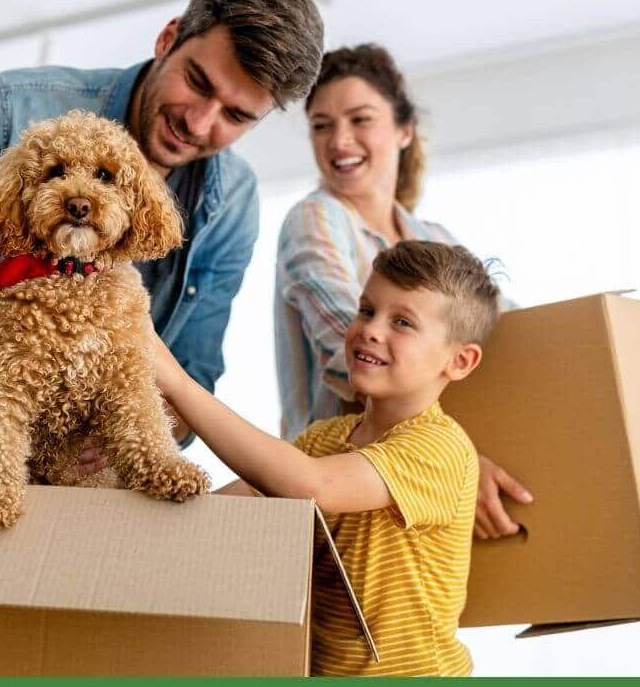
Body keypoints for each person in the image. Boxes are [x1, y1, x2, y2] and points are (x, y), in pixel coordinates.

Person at [0, 0, 324, 479]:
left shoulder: (233, 200)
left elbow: (194, 373)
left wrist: (129, 431)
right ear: (168, 38)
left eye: (236, 116)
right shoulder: (2, 115)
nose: (200, 123)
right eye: (197, 82)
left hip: (82, 505)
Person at [158, 240, 499, 676]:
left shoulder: (439, 447)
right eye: (366, 310)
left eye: (402, 322)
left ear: (460, 361)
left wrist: (178, 384)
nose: (372, 330)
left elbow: (312, 486)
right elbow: (222, 514)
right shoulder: (325, 440)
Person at [274, 43, 532, 538]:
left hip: (415, 500)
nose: (339, 140)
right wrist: (455, 457)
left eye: (359, 119)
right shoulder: (316, 219)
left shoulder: (433, 237)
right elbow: (347, 353)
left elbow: (510, 328)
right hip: (337, 497)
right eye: (321, 125)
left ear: (404, 130)